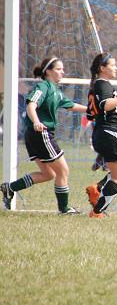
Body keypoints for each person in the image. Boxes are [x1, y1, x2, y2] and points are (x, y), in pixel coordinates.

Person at [1, 56, 88, 213]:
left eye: (62, 69)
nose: (63, 72)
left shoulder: (55, 90)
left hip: (35, 135)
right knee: (63, 171)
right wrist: (36, 121)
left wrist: (91, 110)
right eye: (59, 69)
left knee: (48, 174)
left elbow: (70, 105)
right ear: (48, 71)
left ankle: (10, 188)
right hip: (41, 133)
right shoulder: (43, 86)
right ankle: (64, 209)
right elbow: (31, 104)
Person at [83, 53, 117, 218]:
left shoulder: (100, 86)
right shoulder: (102, 84)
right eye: (113, 65)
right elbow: (106, 105)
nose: (116, 68)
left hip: (108, 133)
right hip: (109, 133)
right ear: (102, 68)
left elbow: (91, 114)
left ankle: (97, 189)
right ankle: (97, 211)